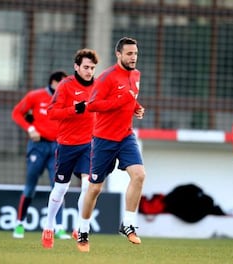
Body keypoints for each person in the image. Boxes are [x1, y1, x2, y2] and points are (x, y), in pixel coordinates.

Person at [76, 37, 146, 252]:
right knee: (95, 188)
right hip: (104, 140)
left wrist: (136, 107)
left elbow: (130, 98)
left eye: (135, 53)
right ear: (119, 54)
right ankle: (83, 230)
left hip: (126, 137)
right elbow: (93, 105)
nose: (133, 57)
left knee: (139, 175)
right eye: (129, 54)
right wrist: (120, 102)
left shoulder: (136, 75)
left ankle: (128, 224)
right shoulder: (107, 76)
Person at [41, 49, 99, 249]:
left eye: (92, 68)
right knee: (61, 188)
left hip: (88, 144)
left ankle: (80, 228)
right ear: (76, 67)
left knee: (87, 186)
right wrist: (74, 109)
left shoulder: (98, 86)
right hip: (66, 145)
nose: (89, 71)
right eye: (85, 67)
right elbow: (51, 113)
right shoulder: (66, 86)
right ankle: (49, 226)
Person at [12, 70, 72, 239]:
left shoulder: (66, 100)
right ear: (53, 82)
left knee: (58, 187)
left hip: (58, 148)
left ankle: (58, 228)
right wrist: (30, 128)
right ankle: (19, 224)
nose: (64, 88)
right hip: (38, 146)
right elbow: (16, 113)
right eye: (61, 84)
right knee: (30, 186)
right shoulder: (35, 96)